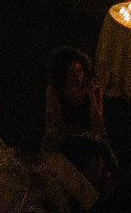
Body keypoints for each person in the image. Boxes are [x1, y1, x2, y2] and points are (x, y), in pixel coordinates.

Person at [0, 83, 98, 213]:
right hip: (3, 199)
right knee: (52, 176)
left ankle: (87, 201)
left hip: (3, 189)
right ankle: (90, 203)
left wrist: (18, 155)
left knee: (54, 162)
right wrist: (29, 175)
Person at [43, 48, 116, 193]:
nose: (76, 77)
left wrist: (91, 99)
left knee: (98, 160)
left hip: (90, 139)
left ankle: (92, 196)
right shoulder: (54, 91)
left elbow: (98, 127)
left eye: (79, 72)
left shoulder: (93, 91)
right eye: (71, 73)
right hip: (64, 138)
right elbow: (58, 125)